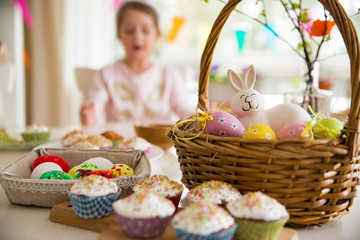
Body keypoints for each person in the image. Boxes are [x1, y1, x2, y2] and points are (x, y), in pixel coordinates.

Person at [80, 1, 194, 126]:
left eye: (145, 30)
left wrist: (198, 116)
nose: (137, 37)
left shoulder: (168, 74)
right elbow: (95, 102)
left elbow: (183, 108)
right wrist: (90, 114)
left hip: (159, 144)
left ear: (157, 34)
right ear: (119, 34)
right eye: (129, 31)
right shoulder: (106, 74)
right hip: (120, 143)